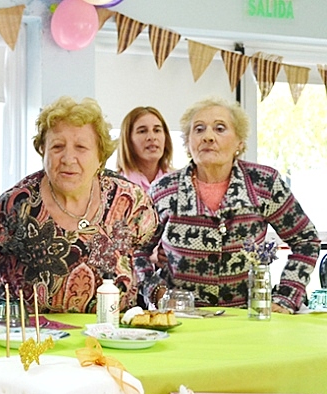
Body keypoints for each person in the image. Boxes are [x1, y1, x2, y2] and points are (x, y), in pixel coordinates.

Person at [0, 97, 158, 313]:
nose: (69, 158)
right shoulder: (16, 204)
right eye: (57, 146)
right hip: (29, 337)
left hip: (112, 336)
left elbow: (146, 244)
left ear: (100, 155)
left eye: (81, 147)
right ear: (43, 151)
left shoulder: (131, 200)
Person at [135, 96, 320, 313]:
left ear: (239, 142)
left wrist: (285, 298)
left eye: (220, 128)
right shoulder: (164, 190)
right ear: (188, 143)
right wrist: (158, 293)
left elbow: (306, 240)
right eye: (199, 129)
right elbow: (137, 250)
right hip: (183, 321)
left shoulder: (264, 183)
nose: (208, 137)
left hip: (249, 319)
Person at [116, 106, 174, 192]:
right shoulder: (116, 186)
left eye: (157, 130)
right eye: (142, 131)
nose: (152, 137)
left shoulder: (178, 182)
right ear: (128, 140)